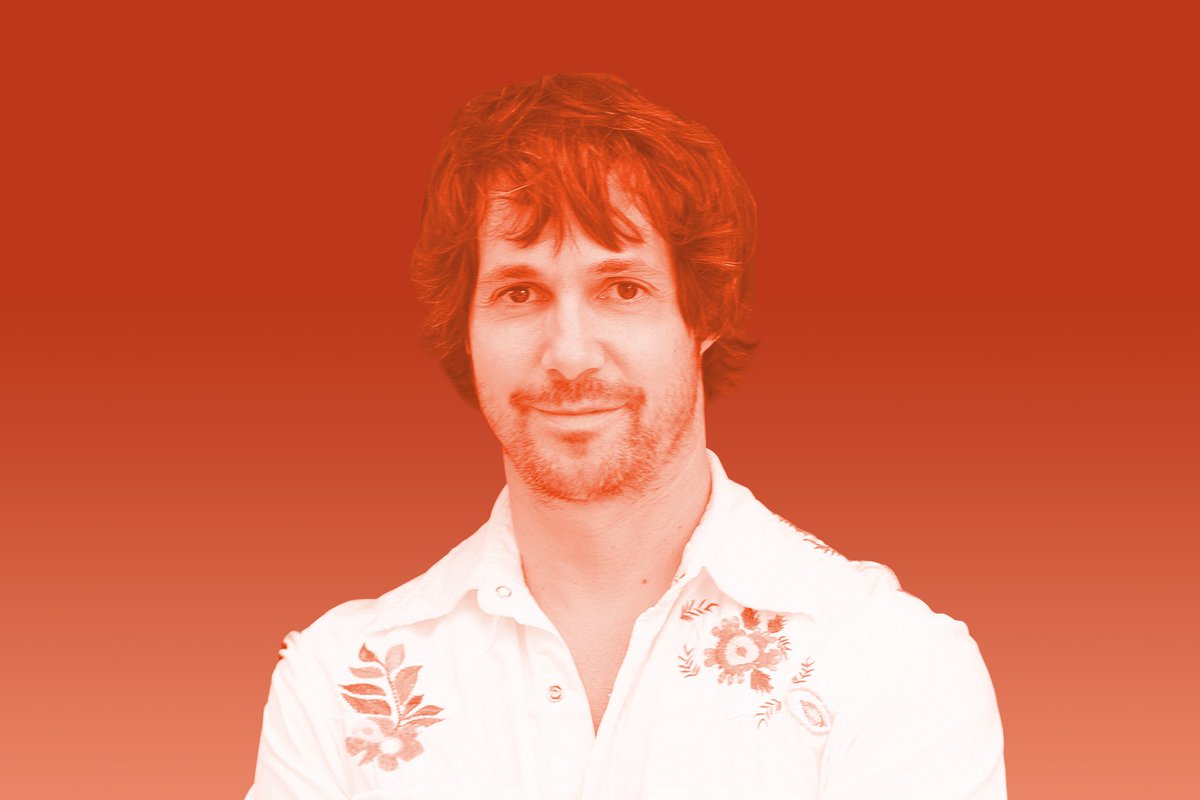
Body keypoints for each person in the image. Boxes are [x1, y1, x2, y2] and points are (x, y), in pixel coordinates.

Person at [247, 72, 1006, 799]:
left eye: (622, 288)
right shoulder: (337, 686)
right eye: (520, 292)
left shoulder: (891, 667)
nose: (570, 353)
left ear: (704, 314)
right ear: (466, 329)